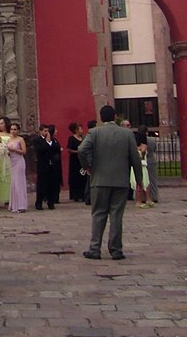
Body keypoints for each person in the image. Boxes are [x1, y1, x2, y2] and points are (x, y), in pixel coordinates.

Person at [78, 104, 143, 260]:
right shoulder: (126, 134)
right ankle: (116, 249)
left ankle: (95, 248)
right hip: (120, 180)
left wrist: (87, 166)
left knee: (98, 214)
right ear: (114, 117)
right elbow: (135, 158)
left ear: (101, 117)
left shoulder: (94, 132)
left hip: (99, 179)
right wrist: (139, 179)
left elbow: (81, 150)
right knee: (116, 215)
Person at [7, 122, 28, 212]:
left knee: (19, 182)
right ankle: (14, 204)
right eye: (12, 129)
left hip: (19, 162)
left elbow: (24, 151)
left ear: (18, 130)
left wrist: (14, 150)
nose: (13, 131)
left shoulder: (20, 139)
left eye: (15, 129)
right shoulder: (9, 139)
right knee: (13, 183)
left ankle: (21, 205)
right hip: (12, 162)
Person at [135, 126, 159, 203]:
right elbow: (154, 148)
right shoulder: (151, 140)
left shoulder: (137, 140)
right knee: (152, 179)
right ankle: (154, 196)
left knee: (141, 179)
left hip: (142, 160)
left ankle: (142, 197)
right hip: (151, 159)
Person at [34, 124, 54, 209]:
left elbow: (55, 148)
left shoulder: (52, 139)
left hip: (50, 164)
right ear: (41, 131)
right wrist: (47, 142)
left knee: (50, 184)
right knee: (41, 185)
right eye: (45, 131)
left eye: (47, 131)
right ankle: (39, 202)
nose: (46, 133)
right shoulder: (37, 140)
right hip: (42, 165)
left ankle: (51, 202)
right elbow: (40, 149)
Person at [0, 116, 12, 207]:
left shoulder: (11, 134)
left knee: (9, 177)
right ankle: (3, 197)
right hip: (1, 158)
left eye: (2, 123)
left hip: (9, 158)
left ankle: (10, 197)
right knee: (1, 176)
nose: (0, 125)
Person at [67, 123, 85, 202]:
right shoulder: (71, 139)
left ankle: (83, 194)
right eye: (80, 129)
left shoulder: (83, 138)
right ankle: (76, 195)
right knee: (75, 177)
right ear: (76, 130)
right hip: (74, 161)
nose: (82, 130)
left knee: (82, 177)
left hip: (82, 160)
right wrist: (78, 152)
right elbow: (69, 149)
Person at [47, 124, 63, 205]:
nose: (57, 131)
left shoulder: (55, 140)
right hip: (53, 162)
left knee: (57, 179)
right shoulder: (50, 140)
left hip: (57, 162)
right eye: (55, 129)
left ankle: (56, 197)